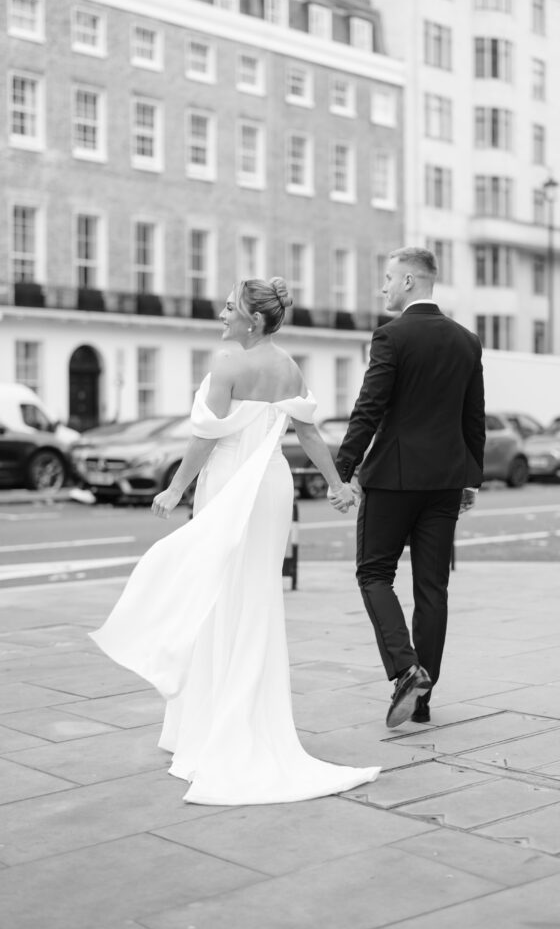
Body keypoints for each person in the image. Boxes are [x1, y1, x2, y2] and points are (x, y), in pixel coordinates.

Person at [90, 277, 379, 805]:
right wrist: (337, 485)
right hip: (271, 486)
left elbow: (206, 437)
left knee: (220, 595)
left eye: (230, 308)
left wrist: (176, 489)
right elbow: (309, 434)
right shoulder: (290, 367)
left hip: (229, 484)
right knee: (257, 599)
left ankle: (213, 727)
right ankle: (245, 719)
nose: (222, 314)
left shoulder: (226, 366)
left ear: (252, 318)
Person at [333, 246, 485, 729]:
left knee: (374, 573)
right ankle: (422, 700)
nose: (383, 287)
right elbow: (473, 417)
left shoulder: (391, 336)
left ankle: (405, 670)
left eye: (388, 278)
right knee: (432, 589)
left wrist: (343, 469)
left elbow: (369, 407)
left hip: (395, 480)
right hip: (445, 481)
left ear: (410, 283)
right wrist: (471, 479)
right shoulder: (467, 341)